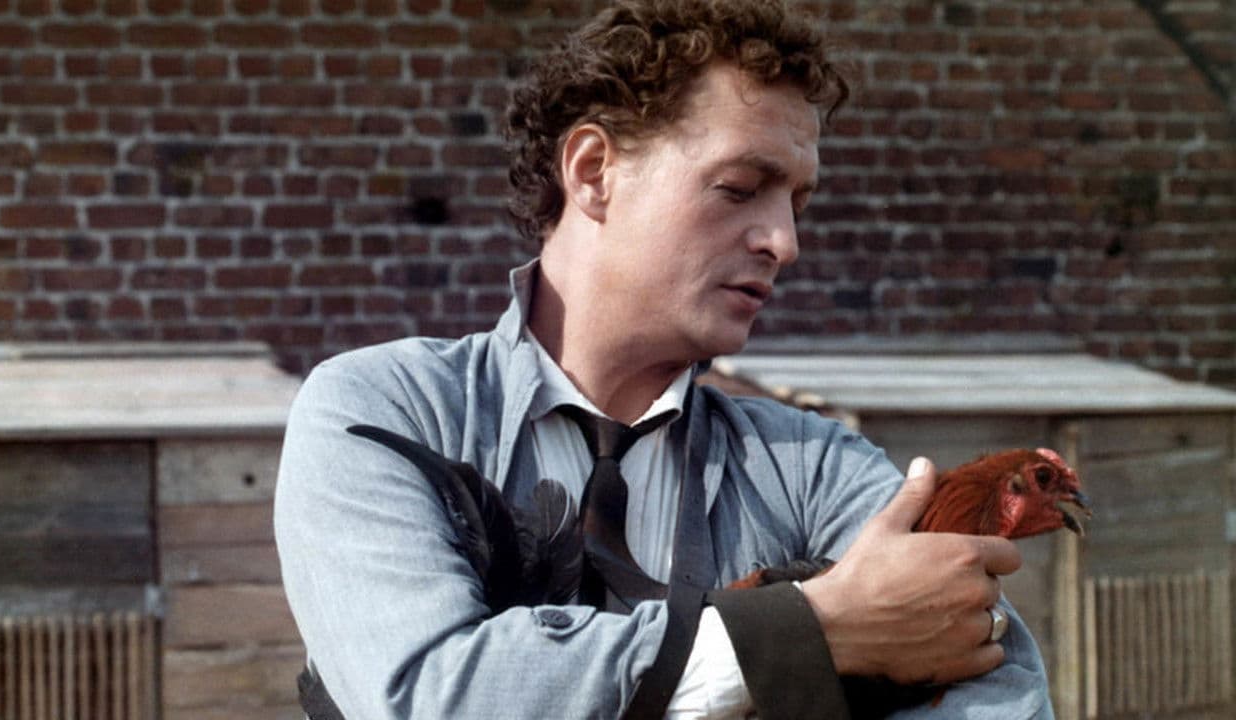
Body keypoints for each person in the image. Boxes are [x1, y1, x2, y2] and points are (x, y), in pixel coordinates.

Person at [274, 0, 1055, 717]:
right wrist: (805, 633)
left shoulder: (814, 469)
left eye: (797, 203)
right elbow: (431, 694)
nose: (784, 242)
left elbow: (1001, 689)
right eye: (740, 187)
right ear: (593, 172)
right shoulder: (387, 412)